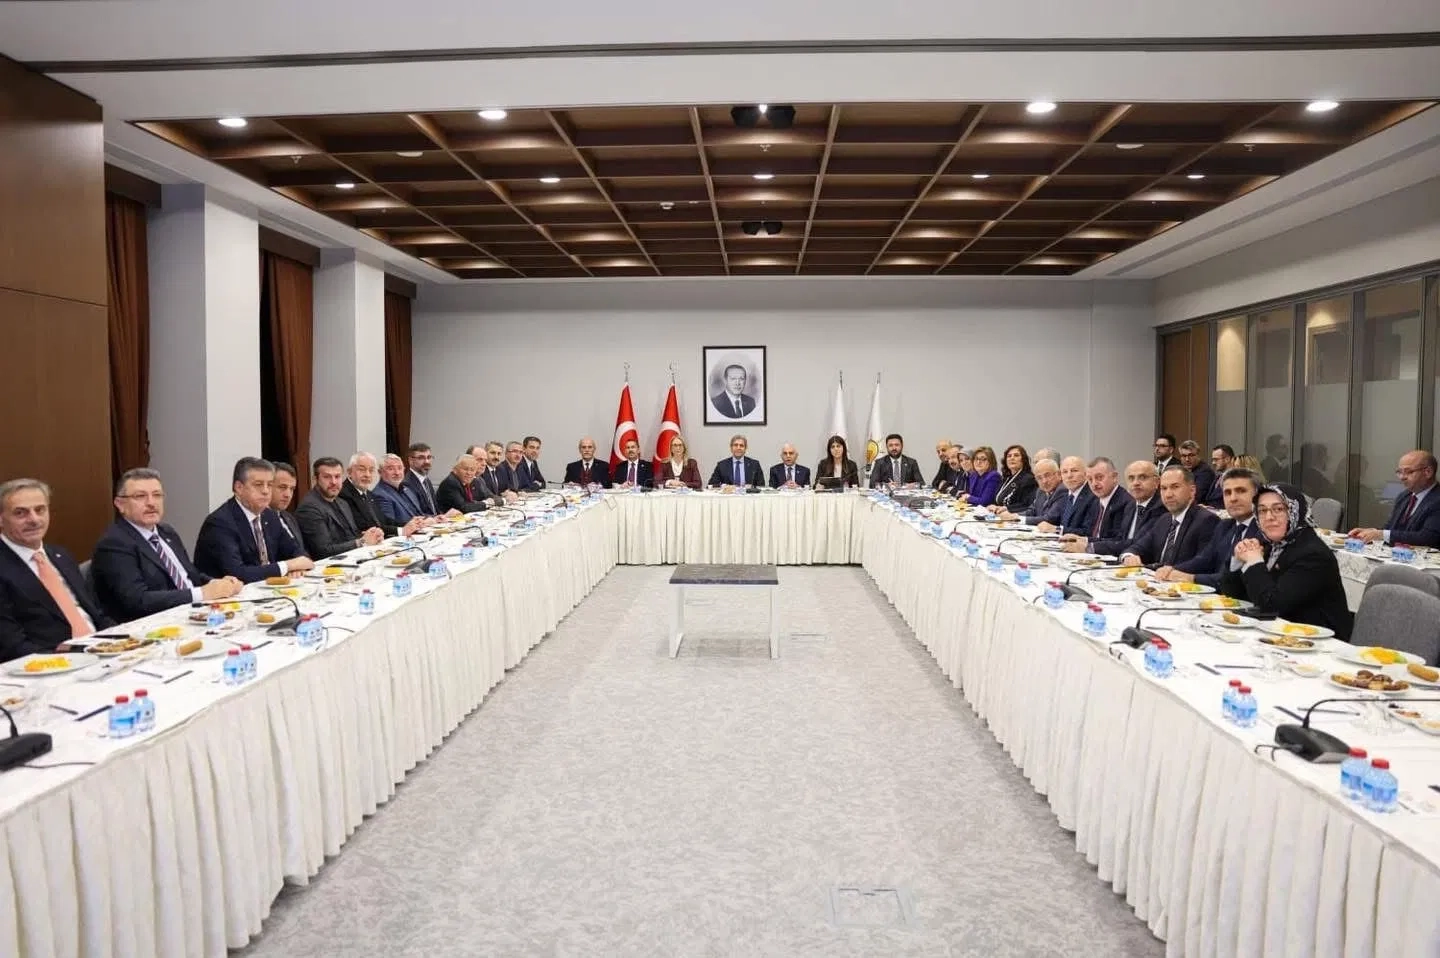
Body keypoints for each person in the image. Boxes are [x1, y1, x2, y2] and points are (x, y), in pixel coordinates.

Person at [91, 468, 243, 622]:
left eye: (157, 495)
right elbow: (137, 600)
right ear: (120, 504)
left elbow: (188, 575)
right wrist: (202, 593)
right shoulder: (114, 543)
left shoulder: (166, 532)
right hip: (152, 625)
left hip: (192, 614)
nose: (151, 503)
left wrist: (217, 584)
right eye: (140, 496)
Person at [1220, 483, 1352, 640]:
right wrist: (1238, 560)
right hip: (1279, 633)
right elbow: (1233, 595)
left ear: (1295, 511)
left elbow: (1272, 606)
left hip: (1317, 643)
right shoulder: (1270, 544)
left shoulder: (1313, 554)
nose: (1269, 517)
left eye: (1278, 509)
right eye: (1262, 510)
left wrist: (1254, 562)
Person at [0, 478, 113, 661]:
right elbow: (12, 645)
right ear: (1, 518)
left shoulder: (60, 555)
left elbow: (95, 614)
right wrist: (75, 659)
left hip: (102, 650)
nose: (34, 520)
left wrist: (124, 641)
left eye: (40, 510)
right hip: (52, 663)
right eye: (20, 513)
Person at [194, 457, 314, 583]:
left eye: (270, 485)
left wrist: (297, 568)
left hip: (268, 589)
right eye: (258, 485)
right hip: (230, 593)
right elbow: (238, 573)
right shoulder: (220, 523)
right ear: (239, 487)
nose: (266, 491)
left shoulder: (270, 516)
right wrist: (288, 566)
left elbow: (297, 552)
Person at [1156, 467, 1264, 587]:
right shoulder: (1225, 526)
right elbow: (1204, 560)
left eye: (1241, 491)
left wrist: (1192, 578)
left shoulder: (1265, 530)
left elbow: (1237, 579)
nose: (1233, 498)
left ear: (1258, 495)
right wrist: (1172, 570)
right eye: (1227, 493)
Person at [1119, 465, 1220, 568]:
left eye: (1175, 487)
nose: (1168, 495)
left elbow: (1202, 563)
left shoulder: (1207, 520)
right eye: (1164, 488)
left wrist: (1168, 571)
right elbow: (1139, 547)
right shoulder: (1164, 520)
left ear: (1192, 490)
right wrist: (1129, 556)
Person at [1348, 450, 1440, 548]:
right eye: (1399, 472)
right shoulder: (1404, 496)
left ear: (1428, 472)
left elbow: (1428, 538)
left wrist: (1382, 534)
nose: (1402, 477)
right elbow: (1390, 528)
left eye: (1408, 472)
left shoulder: (1437, 499)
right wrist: (1371, 532)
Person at [297, 457, 384, 558]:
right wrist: (361, 542)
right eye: (327, 477)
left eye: (337, 476)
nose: (334, 482)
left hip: (352, 558)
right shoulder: (309, 508)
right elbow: (323, 550)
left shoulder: (342, 503)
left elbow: (351, 535)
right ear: (315, 479)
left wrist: (372, 535)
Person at [1082, 460, 1168, 555]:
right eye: (1131, 478)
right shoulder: (1131, 505)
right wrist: (1084, 541)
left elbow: (1138, 543)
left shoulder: (1161, 507)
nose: (1136, 483)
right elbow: (1119, 539)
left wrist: (1090, 547)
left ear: (1157, 482)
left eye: (1142, 477)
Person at [1058, 457, 1134, 553]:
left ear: (1114, 477)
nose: (1094, 484)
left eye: (1099, 477)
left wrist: (1088, 546)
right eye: (1090, 479)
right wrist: (1082, 539)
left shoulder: (1125, 502)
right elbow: (1095, 535)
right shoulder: (1096, 501)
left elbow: (1118, 541)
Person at [340, 452, 425, 539]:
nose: (367, 475)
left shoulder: (369, 494)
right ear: (349, 472)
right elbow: (366, 527)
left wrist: (410, 525)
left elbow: (383, 521)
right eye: (362, 470)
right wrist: (401, 531)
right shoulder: (344, 494)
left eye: (371, 470)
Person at [1032, 456, 1092, 532]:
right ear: (1061, 476)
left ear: (1086, 473)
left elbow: (1088, 532)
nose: (1069, 476)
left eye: (1074, 470)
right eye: (1065, 472)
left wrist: (1057, 529)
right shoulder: (1066, 495)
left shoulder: (1092, 496)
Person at [373, 454, 429, 526]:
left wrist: (434, 518)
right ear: (380, 472)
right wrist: (422, 523)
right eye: (391, 469)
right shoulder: (380, 494)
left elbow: (418, 514)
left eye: (400, 468)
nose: (397, 473)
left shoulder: (407, 489)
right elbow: (390, 525)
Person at [1000, 458, 1060, 522]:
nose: (1044, 481)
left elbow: (1049, 518)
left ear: (1059, 474)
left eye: (1047, 475)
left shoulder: (1062, 491)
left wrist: (1019, 518)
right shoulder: (1040, 491)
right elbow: (1032, 511)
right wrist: (1014, 516)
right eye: (1039, 478)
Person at [271, 461, 308, 553]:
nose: (288, 495)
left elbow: (301, 550)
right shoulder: (259, 522)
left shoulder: (290, 518)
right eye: (282, 487)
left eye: (292, 489)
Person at [992, 444, 1037, 513]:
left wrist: (1007, 508)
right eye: (1009, 456)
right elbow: (998, 499)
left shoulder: (1029, 479)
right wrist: (993, 506)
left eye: (1016, 455)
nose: (1012, 458)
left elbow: (1026, 504)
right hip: (999, 514)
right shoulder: (1006, 479)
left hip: (1015, 515)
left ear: (1023, 460)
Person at [403, 442, 441, 515]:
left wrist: (445, 516)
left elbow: (434, 509)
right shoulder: (407, 484)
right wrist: (437, 518)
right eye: (421, 458)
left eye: (429, 457)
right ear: (411, 460)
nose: (427, 461)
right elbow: (416, 513)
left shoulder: (426, 480)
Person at [1178, 440, 1216, 508]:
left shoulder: (1205, 472)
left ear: (1198, 455)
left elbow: (1196, 497)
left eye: (1191, 455)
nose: (1187, 459)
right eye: (1184, 456)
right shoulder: (1181, 470)